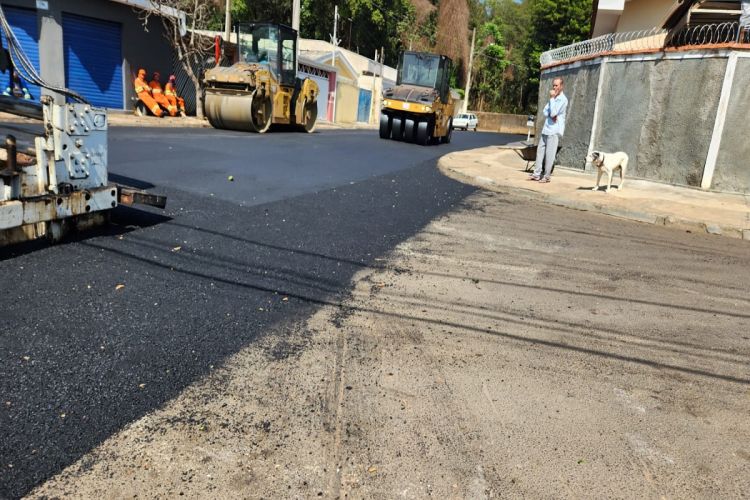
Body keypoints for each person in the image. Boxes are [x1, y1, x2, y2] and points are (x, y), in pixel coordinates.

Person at [529, 77, 567, 183]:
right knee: (540, 152)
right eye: (553, 85)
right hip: (546, 129)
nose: (554, 87)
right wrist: (551, 114)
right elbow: (545, 112)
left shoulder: (563, 100)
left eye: (556, 85)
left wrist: (551, 99)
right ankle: (536, 174)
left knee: (550, 155)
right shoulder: (554, 99)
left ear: (561, 86)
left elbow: (554, 113)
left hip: (554, 131)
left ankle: (546, 176)